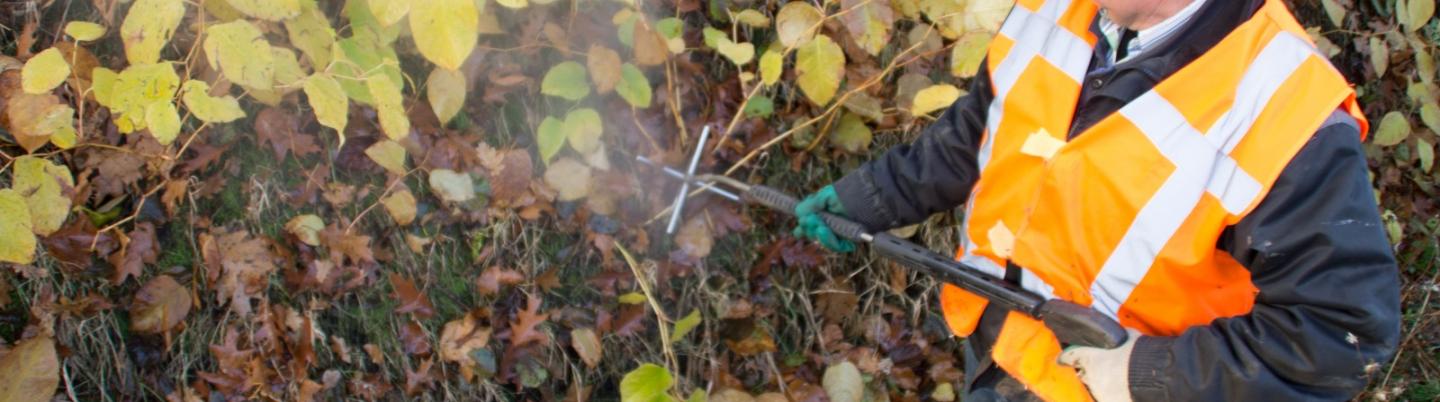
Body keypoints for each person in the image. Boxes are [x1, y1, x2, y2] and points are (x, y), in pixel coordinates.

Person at [790, 0, 1402, 401]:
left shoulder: (1282, 105)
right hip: (1004, 354)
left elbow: (1340, 335)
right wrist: (868, 198)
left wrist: (1147, 375)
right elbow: (984, 127)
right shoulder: (1061, 9)